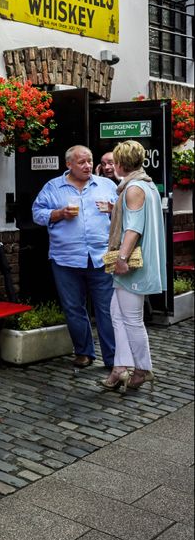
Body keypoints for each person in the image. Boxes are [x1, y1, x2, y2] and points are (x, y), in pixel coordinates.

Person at [32, 145, 118, 370]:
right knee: (73, 308)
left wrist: (113, 209)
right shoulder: (52, 187)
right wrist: (59, 214)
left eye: (90, 161)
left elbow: (126, 211)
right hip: (65, 258)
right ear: (69, 164)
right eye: (82, 162)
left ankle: (113, 358)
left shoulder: (107, 185)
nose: (88, 165)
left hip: (101, 256)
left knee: (107, 308)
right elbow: (36, 213)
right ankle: (83, 352)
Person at [100, 141, 166, 392]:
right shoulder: (145, 184)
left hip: (134, 265)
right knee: (117, 314)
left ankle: (142, 368)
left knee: (131, 319)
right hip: (137, 262)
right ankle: (120, 367)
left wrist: (122, 258)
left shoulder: (133, 188)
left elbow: (134, 227)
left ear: (119, 163)